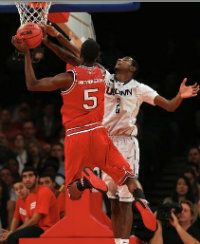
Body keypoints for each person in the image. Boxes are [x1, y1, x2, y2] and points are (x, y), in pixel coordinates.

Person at [36, 25, 200, 244]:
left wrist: (180, 95)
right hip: (103, 139)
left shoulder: (140, 88)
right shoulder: (105, 76)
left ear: (132, 68)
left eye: (126, 58)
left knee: (124, 200)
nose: (121, 58)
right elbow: (80, 57)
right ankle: (119, 240)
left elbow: (169, 106)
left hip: (125, 141)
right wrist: (55, 37)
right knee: (113, 199)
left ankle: (131, 226)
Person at [12, 33, 159, 235]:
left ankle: (84, 182)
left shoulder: (68, 77)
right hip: (99, 133)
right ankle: (142, 201)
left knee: (72, 193)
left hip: (76, 136)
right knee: (128, 178)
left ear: (81, 55)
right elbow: (73, 56)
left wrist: (27, 52)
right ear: (97, 57)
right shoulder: (101, 72)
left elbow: (33, 84)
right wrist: (50, 40)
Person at [5, 166, 59, 244]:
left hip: (47, 229)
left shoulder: (44, 191)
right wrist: (11, 231)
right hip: (36, 229)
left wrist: (13, 232)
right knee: (7, 237)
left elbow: (34, 220)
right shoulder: (29, 196)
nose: (27, 179)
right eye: (24, 177)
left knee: (13, 237)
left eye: (30, 175)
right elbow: (27, 221)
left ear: (37, 178)